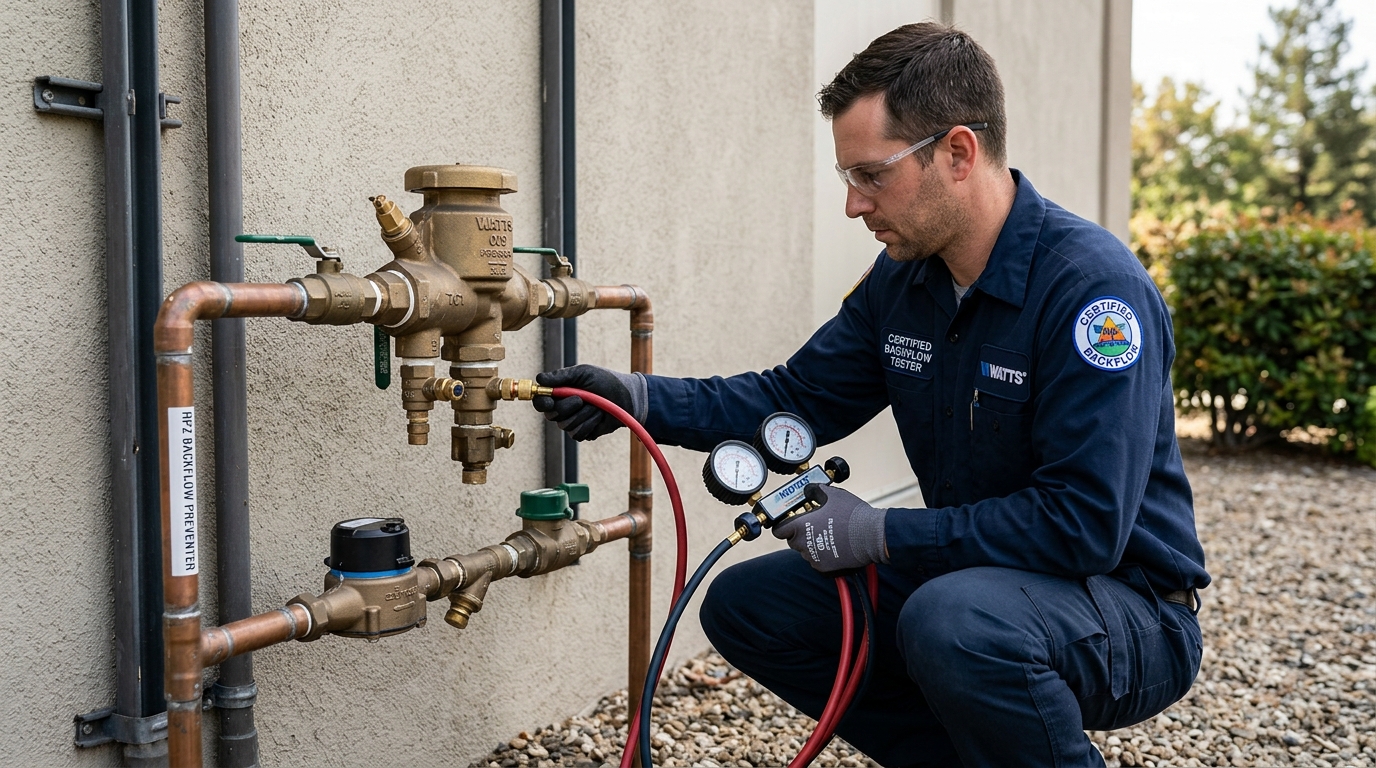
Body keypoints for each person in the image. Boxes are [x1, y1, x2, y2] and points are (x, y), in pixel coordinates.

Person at [534, 22, 1208, 768]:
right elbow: (794, 399)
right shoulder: (906, 281)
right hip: (984, 584)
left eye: (871, 175)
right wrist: (635, 398)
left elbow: (1081, 526)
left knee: (953, 624)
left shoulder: (1092, 294)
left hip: (1125, 605)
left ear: (958, 152)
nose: (855, 206)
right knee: (750, 608)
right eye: (847, 179)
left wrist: (881, 535)